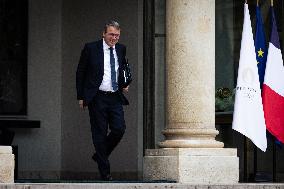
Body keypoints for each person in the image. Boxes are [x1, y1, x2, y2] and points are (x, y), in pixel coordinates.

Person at [76, 20, 129, 181]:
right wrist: (81, 96)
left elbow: (121, 68)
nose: (114, 38)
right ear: (104, 34)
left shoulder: (121, 49)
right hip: (96, 96)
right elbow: (81, 72)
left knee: (119, 129)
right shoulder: (91, 48)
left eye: (117, 36)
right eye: (111, 34)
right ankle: (104, 172)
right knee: (99, 133)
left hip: (114, 95)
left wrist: (123, 83)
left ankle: (100, 155)